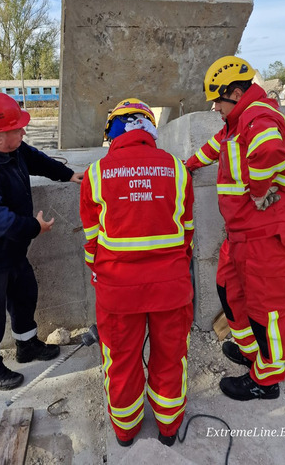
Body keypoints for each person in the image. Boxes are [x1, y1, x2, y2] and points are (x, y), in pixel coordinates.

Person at [184, 56, 285, 401]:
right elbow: (216, 145)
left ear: (236, 93)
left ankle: (266, 379)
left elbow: (269, 150)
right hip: (242, 233)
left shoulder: (259, 116)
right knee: (228, 289)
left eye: (218, 101)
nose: (215, 108)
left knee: (266, 308)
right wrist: (188, 165)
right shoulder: (238, 120)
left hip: (266, 234)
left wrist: (257, 189)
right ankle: (252, 353)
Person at [0, 92, 84, 390]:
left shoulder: (11, 149)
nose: (23, 132)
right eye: (18, 128)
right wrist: (33, 227)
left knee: (24, 294)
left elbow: (35, 158)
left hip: (8, 251)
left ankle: (27, 346)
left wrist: (68, 174)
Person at [79, 98, 195, 448]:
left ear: (112, 133)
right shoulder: (177, 169)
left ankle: (126, 431)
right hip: (172, 288)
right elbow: (187, 231)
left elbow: (91, 240)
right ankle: (168, 427)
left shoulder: (96, 174)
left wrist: (101, 272)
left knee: (122, 361)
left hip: (118, 291)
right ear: (149, 129)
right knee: (171, 355)